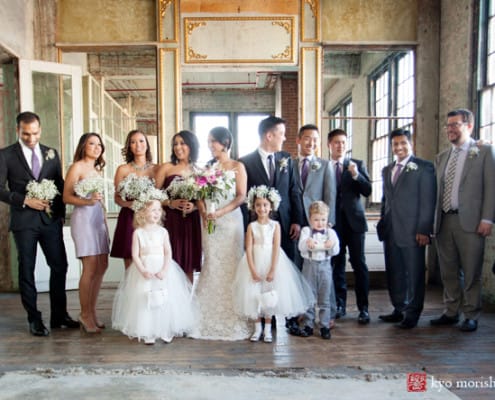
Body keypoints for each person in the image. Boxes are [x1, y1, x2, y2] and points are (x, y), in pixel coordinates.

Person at [0, 111, 79, 336]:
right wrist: (25, 200)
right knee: (27, 270)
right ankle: (34, 319)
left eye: (35, 133)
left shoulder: (51, 153)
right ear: (18, 131)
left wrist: (61, 213)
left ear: (40, 129)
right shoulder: (5, 155)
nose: (31, 138)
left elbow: (59, 183)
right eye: (26, 134)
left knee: (60, 266)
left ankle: (59, 315)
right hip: (24, 222)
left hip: (50, 220)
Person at [430, 109, 495, 332]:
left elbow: (491, 188)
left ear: (469, 126)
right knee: (448, 270)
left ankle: (471, 314)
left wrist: (487, 218)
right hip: (444, 221)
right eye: (448, 125)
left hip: (471, 222)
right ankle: (451, 311)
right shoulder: (441, 158)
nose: (450, 129)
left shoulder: (484, 152)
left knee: (471, 270)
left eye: (455, 125)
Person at [239, 116, 304, 333]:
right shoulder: (246, 162)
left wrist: (297, 220)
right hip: (258, 229)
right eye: (282, 134)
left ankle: (286, 315)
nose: (284, 138)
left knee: (285, 269)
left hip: (285, 224)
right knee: (261, 271)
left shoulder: (287, 159)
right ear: (269, 135)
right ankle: (263, 316)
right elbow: (243, 198)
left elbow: (295, 191)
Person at [233, 186, 315, 343]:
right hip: (255, 261)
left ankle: (268, 329)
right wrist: (252, 269)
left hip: (272, 261)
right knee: (253, 295)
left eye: (265, 205)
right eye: (258, 205)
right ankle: (257, 329)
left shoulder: (275, 225)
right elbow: (248, 248)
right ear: (253, 207)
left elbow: (277, 247)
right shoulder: (251, 226)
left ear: (271, 207)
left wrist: (272, 269)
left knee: (270, 295)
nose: (262, 208)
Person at [191, 127, 251, 340]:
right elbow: (198, 194)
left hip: (231, 221)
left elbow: (241, 196)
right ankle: (206, 313)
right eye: (208, 141)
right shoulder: (208, 167)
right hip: (209, 222)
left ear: (225, 142)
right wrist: (204, 210)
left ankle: (234, 312)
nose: (210, 145)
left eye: (213, 141)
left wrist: (221, 212)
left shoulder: (237, 166)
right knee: (212, 263)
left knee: (231, 264)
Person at [112, 197, 195, 344]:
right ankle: (147, 331)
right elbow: (135, 255)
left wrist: (164, 270)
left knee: (165, 298)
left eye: (159, 210)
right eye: (153, 210)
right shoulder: (138, 232)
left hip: (162, 269)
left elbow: (168, 252)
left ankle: (164, 329)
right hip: (145, 270)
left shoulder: (163, 232)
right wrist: (143, 270)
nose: (157, 213)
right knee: (145, 299)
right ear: (143, 213)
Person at [377, 129, 436, 329]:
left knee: (415, 273)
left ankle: (413, 313)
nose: (399, 147)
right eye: (395, 144)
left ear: (411, 144)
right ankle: (399, 308)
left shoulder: (423, 167)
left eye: (403, 143)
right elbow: (386, 200)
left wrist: (424, 229)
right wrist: (382, 221)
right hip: (391, 230)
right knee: (395, 272)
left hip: (413, 230)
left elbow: (428, 201)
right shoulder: (387, 169)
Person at [63, 133, 110, 333]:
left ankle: (92, 312)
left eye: (99, 144)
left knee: (102, 264)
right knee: (90, 266)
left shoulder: (97, 169)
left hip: (98, 219)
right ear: (84, 146)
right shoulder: (77, 167)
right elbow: (66, 197)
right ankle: (84, 314)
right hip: (83, 219)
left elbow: (99, 198)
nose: (96, 147)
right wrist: (88, 201)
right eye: (92, 143)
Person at [327, 129, 372, 324]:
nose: (340, 145)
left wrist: (356, 176)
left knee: (359, 264)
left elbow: (368, 190)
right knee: (337, 264)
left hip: (355, 223)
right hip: (334, 223)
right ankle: (340, 305)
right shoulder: (324, 166)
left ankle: (364, 308)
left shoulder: (357, 165)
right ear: (329, 145)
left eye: (343, 142)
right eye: (336, 142)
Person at [155, 131, 201, 282]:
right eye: (175, 144)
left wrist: (194, 207)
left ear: (191, 146)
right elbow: (153, 195)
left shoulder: (199, 171)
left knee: (188, 264)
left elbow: (204, 200)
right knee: (170, 260)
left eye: (182, 143)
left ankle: (186, 303)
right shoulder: (166, 168)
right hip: (170, 221)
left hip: (191, 222)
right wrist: (170, 203)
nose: (178, 147)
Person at [110, 130, 156, 269]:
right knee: (130, 257)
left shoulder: (156, 169)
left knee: (149, 256)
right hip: (129, 217)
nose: (138, 145)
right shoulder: (123, 169)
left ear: (147, 145)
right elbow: (117, 197)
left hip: (150, 218)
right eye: (133, 142)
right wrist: (129, 204)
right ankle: (131, 289)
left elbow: (161, 194)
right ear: (129, 146)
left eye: (141, 141)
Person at [296, 201, 340, 339]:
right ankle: (308, 325)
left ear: (327, 219)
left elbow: (336, 251)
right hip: (309, 265)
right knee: (309, 296)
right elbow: (301, 248)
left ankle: (324, 325)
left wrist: (331, 245)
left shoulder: (331, 233)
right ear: (310, 219)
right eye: (316, 220)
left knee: (324, 298)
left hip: (325, 266)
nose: (320, 223)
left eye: (323, 219)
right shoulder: (306, 231)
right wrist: (306, 243)